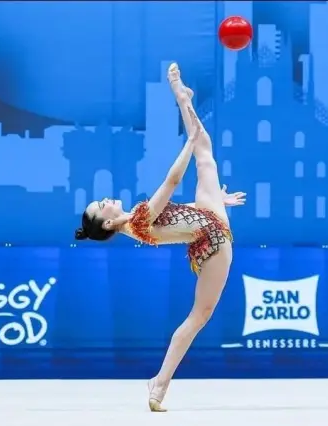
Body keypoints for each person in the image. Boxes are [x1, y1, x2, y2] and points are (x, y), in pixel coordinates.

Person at [74, 63, 246, 412]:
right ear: (106, 224)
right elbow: (170, 182)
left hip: (208, 218)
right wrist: (188, 144)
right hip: (210, 244)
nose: (106, 200)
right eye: (101, 206)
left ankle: (182, 96)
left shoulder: (133, 220)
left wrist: (218, 198)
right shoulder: (137, 222)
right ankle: (159, 382)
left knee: (206, 153)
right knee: (199, 317)